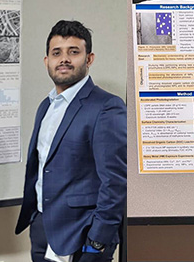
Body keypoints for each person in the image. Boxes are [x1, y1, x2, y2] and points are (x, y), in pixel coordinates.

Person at [15, 20, 127, 262]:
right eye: (57, 53)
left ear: (89, 59)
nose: (64, 59)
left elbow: (115, 181)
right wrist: (36, 219)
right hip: (43, 230)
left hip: (83, 236)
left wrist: (98, 239)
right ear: (47, 61)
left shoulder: (107, 107)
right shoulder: (46, 106)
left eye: (73, 52)